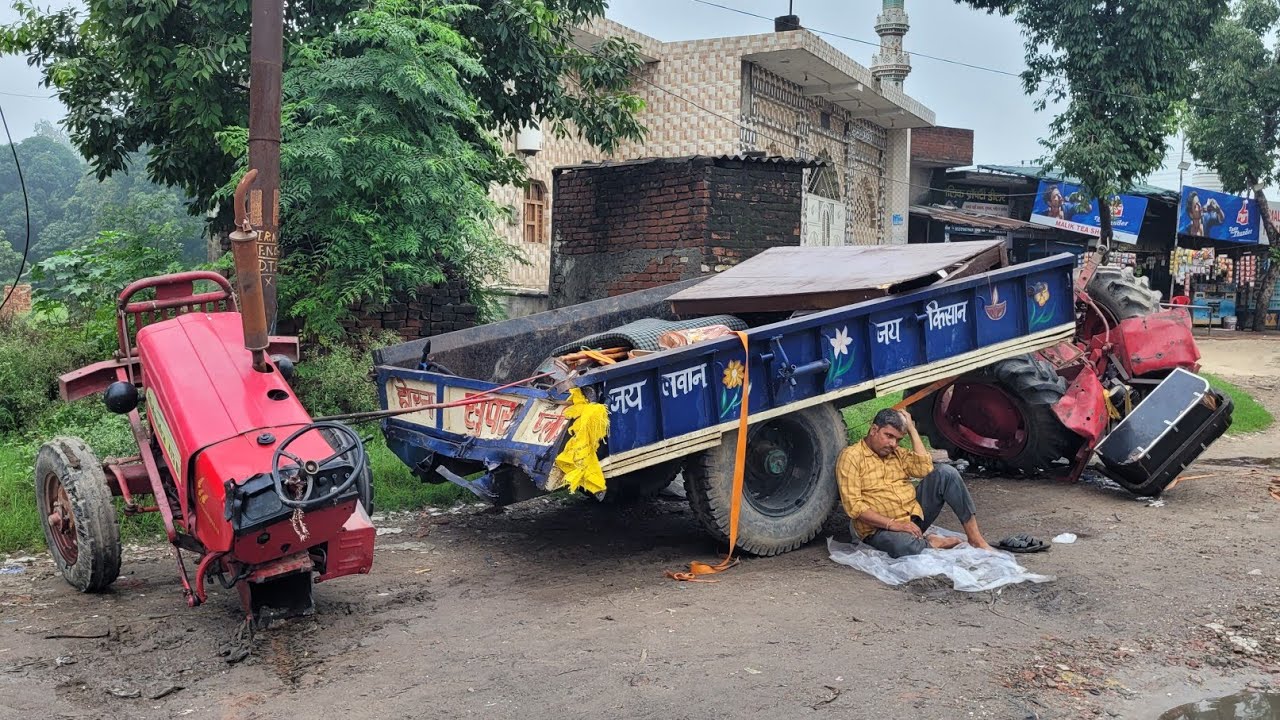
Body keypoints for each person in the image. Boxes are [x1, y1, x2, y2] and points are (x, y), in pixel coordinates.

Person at [836, 408, 991, 558]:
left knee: (946, 473)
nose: (893, 444)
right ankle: (931, 543)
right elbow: (854, 507)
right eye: (888, 436)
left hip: (912, 520)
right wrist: (893, 524)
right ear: (873, 430)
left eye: (898, 439)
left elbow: (925, 469)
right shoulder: (852, 457)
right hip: (878, 529)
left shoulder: (897, 453)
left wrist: (912, 430)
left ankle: (975, 539)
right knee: (903, 546)